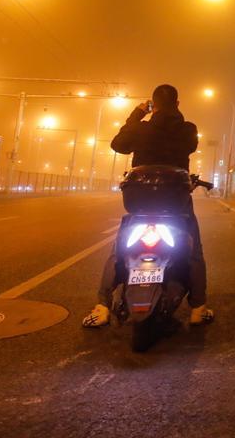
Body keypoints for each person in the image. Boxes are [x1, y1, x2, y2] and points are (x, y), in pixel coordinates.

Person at [82, 84, 214, 327]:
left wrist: (137, 114)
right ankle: (198, 307)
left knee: (119, 248)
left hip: (139, 202)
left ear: (153, 105)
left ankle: (102, 306)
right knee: (194, 250)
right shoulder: (187, 129)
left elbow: (118, 145)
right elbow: (190, 146)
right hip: (176, 202)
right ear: (177, 103)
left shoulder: (141, 129)